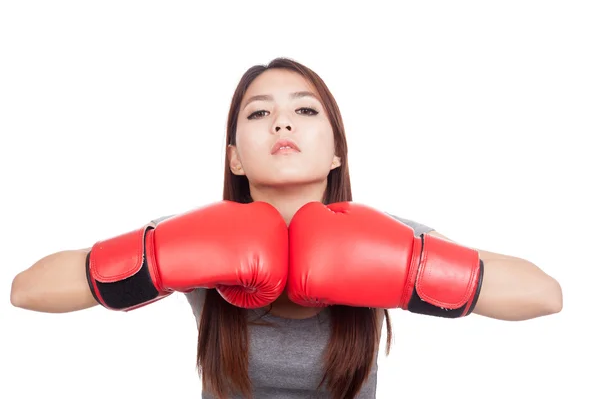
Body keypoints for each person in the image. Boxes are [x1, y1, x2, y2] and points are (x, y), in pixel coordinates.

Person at [10, 57, 563, 399]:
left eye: (305, 110)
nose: (281, 122)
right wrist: (157, 258)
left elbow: (545, 295)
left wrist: (408, 267)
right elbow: (27, 290)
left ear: (335, 153)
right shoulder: (200, 237)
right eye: (257, 113)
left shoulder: (390, 237)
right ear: (236, 159)